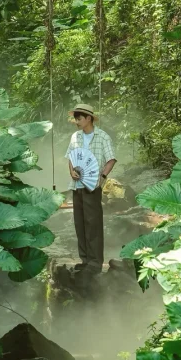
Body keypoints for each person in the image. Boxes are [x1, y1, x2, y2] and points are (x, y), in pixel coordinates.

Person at [66, 104, 115, 275]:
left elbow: (111, 159)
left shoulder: (102, 137)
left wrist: (102, 177)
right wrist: (71, 170)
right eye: (76, 118)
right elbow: (71, 157)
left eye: (79, 119)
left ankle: (95, 263)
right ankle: (85, 259)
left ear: (88, 119)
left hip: (92, 186)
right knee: (80, 223)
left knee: (93, 224)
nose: (77, 122)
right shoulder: (75, 137)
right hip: (76, 185)